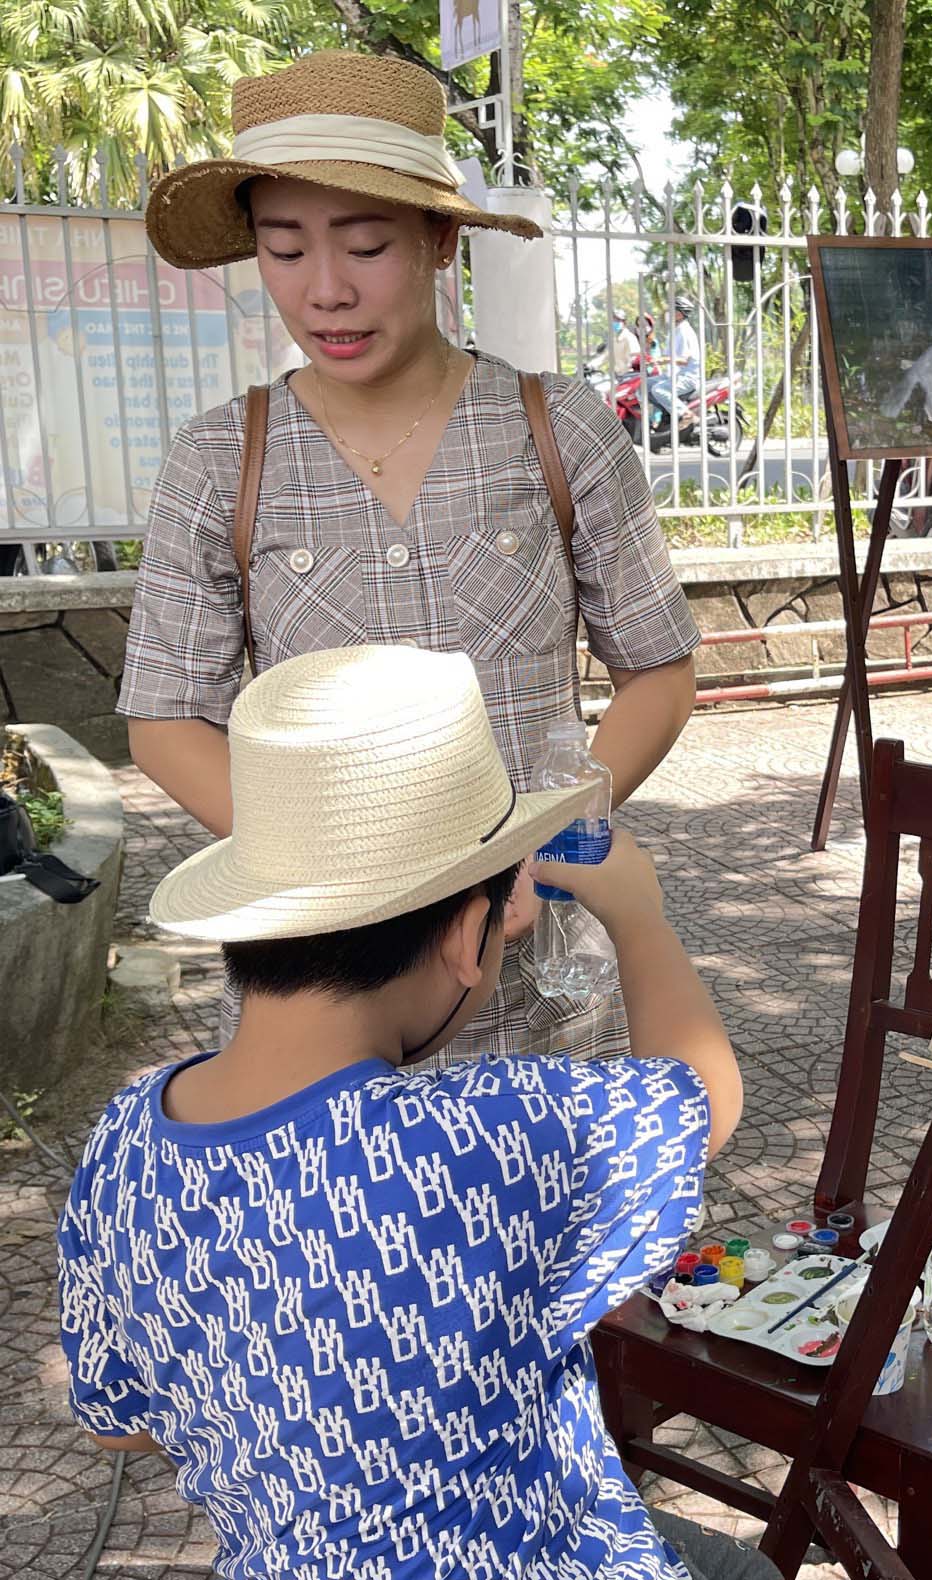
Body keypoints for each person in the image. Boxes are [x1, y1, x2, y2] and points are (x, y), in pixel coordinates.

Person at [58, 644, 763, 1579]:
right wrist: (640, 915)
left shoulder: (123, 1140)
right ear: (467, 939)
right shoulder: (483, 1138)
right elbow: (702, 1097)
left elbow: (119, 1425)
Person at [121, 50, 700, 1062]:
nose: (326, 290)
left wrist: (539, 846)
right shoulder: (221, 461)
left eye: (366, 244)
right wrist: (344, 873)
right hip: (316, 998)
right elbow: (166, 721)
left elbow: (658, 668)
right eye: (284, 249)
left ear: (439, 239)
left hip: (540, 991)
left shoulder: (558, 428)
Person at [607, 309, 642, 377]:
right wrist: (591, 365)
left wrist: (622, 369)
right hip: (616, 375)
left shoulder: (630, 338)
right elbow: (606, 355)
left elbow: (634, 359)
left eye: (618, 320)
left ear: (624, 322)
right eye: (613, 320)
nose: (615, 322)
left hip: (629, 376)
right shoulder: (614, 339)